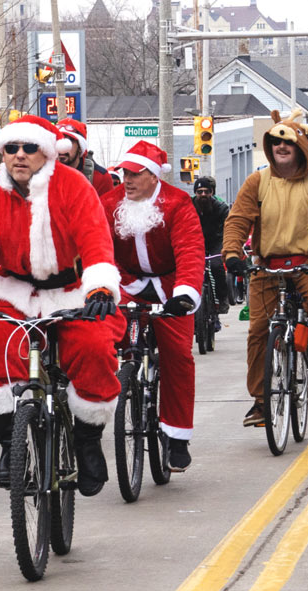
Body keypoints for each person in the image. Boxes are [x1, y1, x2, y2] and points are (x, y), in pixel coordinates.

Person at [0, 114, 123, 494]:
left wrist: (101, 289)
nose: (19, 156)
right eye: (11, 148)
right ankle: (11, 447)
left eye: (29, 148)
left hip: (71, 290)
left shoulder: (73, 185)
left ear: (46, 152)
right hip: (14, 289)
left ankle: (88, 441)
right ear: (2, 153)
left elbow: (95, 240)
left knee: (94, 349)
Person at [221, 107, 308, 428]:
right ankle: (261, 401)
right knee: (258, 330)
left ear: (301, 145)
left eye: (288, 141)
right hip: (267, 265)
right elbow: (236, 221)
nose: (281, 146)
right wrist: (232, 253)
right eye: (275, 141)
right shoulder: (256, 181)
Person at [100, 141, 205, 472]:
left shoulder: (178, 203)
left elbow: (190, 250)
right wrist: (103, 288)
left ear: (153, 175)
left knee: (178, 355)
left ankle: (176, 437)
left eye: (134, 174)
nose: (126, 180)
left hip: (171, 287)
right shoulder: (109, 203)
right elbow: (99, 248)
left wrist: (185, 293)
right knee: (101, 338)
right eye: (123, 173)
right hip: (125, 283)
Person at [190, 175, 230, 313]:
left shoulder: (221, 208)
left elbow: (228, 228)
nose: (203, 195)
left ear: (212, 192)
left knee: (216, 266)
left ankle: (222, 298)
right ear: (195, 193)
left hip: (216, 242)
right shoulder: (188, 206)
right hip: (195, 242)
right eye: (200, 192)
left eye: (207, 191)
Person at [55, 118, 115, 197]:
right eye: (58, 140)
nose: (62, 147)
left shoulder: (99, 178)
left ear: (80, 147)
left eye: (69, 141)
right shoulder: (42, 175)